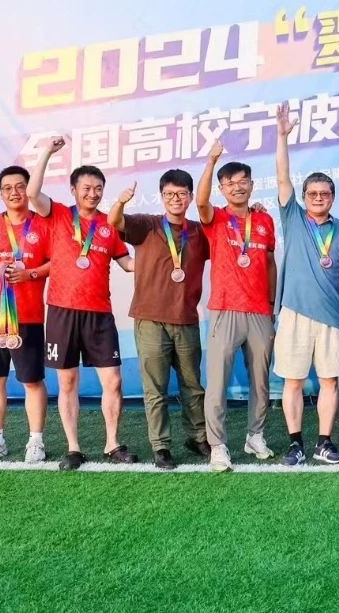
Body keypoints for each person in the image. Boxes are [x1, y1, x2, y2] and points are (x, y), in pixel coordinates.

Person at [27, 137, 135, 470]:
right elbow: (32, 193)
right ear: (73, 190)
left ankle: (112, 444)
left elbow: (128, 264)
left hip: (99, 314)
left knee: (113, 381)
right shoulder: (58, 214)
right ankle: (73, 447)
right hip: (62, 311)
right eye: (86, 188)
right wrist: (47, 152)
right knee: (68, 382)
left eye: (98, 188)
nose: (93, 193)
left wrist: (160, 260)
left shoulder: (109, 224)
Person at [108, 169, 210, 470]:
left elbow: (228, 236)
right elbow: (114, 222)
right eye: (169, 194)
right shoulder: (147, 225)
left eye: (182, 194)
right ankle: (161, 446)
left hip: (186, 319)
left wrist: (254, 210)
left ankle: (197, 437)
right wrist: (121, 202)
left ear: (190, 197)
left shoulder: (199, 231)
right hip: (150, 319)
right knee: (156, 388)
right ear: (162, 196)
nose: (176, 199)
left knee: (193, 385)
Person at [273, 102, 339, 466]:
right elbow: (282, 177)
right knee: (293, 382)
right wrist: (282, 137)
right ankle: (295, 444)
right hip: (294, 314)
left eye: (325, 194)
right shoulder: (292, 217)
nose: (318, 198)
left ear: (333, 197)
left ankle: (324, 442)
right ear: (303, 198)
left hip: (331, 318)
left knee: (329, 382)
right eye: (312, 194)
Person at [196, 141, 279, 472]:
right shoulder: (215, 218)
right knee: (217, 382)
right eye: (229, 183)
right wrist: (212, 160)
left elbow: (269, 263)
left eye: (242, 181)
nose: (237, 187)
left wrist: (271, 303)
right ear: (222, 189)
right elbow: (200, 202)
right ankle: (218, 446)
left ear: (252, 184)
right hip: (225, 309)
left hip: (260, 312)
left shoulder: (264, 220)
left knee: (260, 381)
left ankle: (255, 435)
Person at [0, 166, 53, 464]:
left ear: (28, 189)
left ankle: (36, 441)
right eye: (7, 188)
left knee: (32, 380)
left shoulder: (43, 225)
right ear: (0, 193)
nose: (14, 192)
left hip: (28, 316)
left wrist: (29, 273)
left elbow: (55, 262)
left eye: (20, 186)